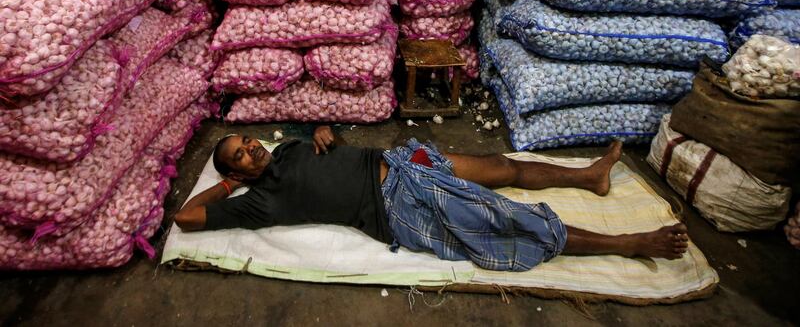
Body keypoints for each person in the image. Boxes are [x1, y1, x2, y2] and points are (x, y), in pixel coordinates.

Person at [175, 126, 689, 272]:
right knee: (507, 220)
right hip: (394, 204)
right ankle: (628, 243)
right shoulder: (259, 199)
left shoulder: (288, 146)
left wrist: (325, 128)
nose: (248, 153)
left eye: (247, 144)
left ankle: (588, 177)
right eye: (238, 158)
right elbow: (186, 216)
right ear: (233, 173)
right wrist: (231, 185)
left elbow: (320, 135)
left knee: (503, 168)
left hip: (405, 163)